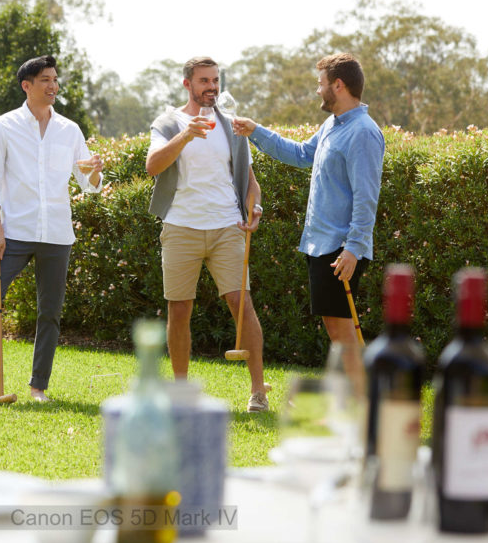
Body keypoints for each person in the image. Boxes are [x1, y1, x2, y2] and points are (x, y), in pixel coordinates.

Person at [231, 52, 384, 374]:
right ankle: (356, 404)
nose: (318, 91)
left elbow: (366, 197)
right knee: (337, 331)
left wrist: (353, 249)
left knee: (343, 333)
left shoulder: (363, 133)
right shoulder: (333, 125)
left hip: (341, 249)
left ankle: (363, 407)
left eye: (321, 84)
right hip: (323, 245)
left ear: (338, 85)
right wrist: (256, 131)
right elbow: (302, 154)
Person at [0, 55, 103, 403]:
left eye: (55, 79)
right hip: (14, 232)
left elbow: (89, 185)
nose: (53, 85)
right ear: (26, 85)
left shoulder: (69, 130)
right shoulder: (3, 126)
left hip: (57, 235)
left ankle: (38, 387)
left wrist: (94, 171)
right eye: (45, 79)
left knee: (50, 313)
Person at [146, 56, 270, 412]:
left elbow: (250, 183)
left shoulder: (232, 126)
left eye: (215, 80)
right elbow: (153, 166)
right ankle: (181, 393)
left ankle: (258, 390)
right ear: (188, 84)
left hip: (226, 227)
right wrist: (186, 135)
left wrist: (255, 208)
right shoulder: (168, 123)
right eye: (204, 81)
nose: (211, 87)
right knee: (179, 308)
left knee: (241, 304)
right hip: (181, 226)